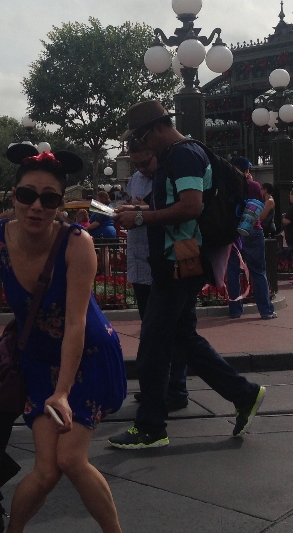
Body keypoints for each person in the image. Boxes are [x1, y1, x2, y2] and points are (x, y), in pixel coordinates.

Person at [0, 145, 126, 533]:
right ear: (14, 196)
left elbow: (75, 323)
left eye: (49, 199)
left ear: (60, 204)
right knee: (46, 469)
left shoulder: (77, 243)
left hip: (86, 356)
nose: (36, 206)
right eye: (27, 195)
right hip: (38, 360)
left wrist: (62, 392)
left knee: (70, 459)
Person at [110, 100, 266, 449]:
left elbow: (191, 207)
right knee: (183, 339)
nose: (139, 145)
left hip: (179, 261)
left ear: (156, 129)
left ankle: (150, 427)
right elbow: (179, 203)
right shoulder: (180, 155)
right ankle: (243, 394)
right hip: (180, 258)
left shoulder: (183, 155)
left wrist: (141, 217)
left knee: (152, 344)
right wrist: (140, 209)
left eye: (140, 137)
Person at [126, 144, 188, 408]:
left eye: (145, 162)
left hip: (167, 261)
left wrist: (141, 213)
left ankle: (175, 389)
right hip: (140, 261)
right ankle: (154, 387)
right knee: (150, 330)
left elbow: (180, 210)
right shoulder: (135, 179)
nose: (142, 169)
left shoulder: (172, 174)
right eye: (136, 164)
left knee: (174, 331)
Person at [229, 158, 276, 317]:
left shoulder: (227, 185)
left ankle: (235, 310)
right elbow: (257, 207)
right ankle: (265, 310)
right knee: (258, 271)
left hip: (233, 232)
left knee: (233, 271)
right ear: (246, 169)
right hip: (253, 229)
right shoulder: (254, 186)